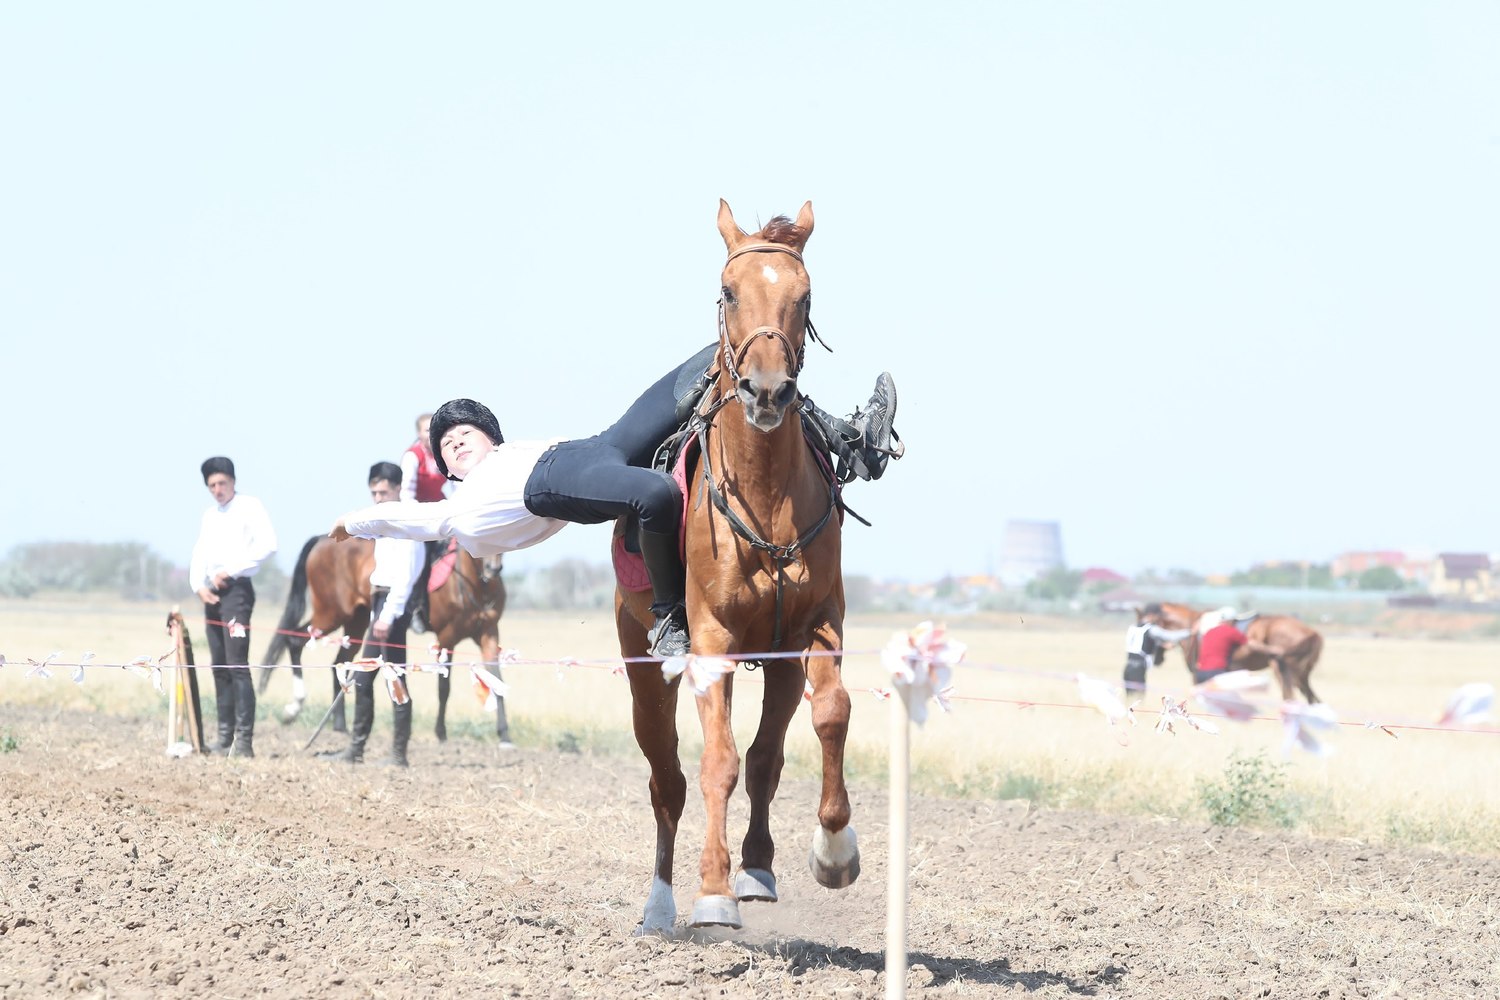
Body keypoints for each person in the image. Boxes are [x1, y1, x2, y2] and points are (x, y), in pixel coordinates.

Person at [330, 346, 902, 658]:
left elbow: (576, 451)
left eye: (466, 435)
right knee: (654, 493)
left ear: (490, 436)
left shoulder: (514, 448)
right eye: (447, 447)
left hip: (594, 447)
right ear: (449, 470)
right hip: (551, 487)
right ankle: (670, 617)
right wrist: (355, 523)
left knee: (721, 355)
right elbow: (413, 519)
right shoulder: (464, 507)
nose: (456, 444)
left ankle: (854, 443)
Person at [328, 462, 425, 767]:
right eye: (374, 493)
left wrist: (387, 616)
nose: (379, 498)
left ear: (398, 489)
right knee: (363, 674)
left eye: (384, 492)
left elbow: (406, 576)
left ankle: (398, 755)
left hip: (395, 607)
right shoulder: (381, 522)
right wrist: (376, 615)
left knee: (394, 676)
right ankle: (356, 749)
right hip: (380, 602)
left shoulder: (408, 521)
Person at [189, 456, 278, 758]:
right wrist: (198, 586)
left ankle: (244, 741)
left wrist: (233, 569)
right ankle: (224, 736)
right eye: (212, 485)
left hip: (237, 591)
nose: (217, 489)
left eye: (222, 483)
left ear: (233, 481)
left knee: (238, 664)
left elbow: (268, 544)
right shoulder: (210, 515)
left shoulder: (249, 506)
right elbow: (200, 551)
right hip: (213, 593)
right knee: (219, 665)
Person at [1194, 614, 1284, 686]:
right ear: (1230, 621)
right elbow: (1251, 644)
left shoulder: (1209, 632)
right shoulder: (1231, 631)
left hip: (1200, 674)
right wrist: (1271, 650)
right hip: (1216, 673)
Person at [1122, 607, 1190, 694]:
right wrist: (1190, 632)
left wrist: (1162, 645)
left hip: (1128, 667)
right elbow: (1170, 636)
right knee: (1138, 699)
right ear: (1152, 615)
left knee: (1130, 699)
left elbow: (1143, 643)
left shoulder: (1133, 627)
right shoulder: (1151, 629)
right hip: (1138, 669)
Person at [400, 413, 448, 503]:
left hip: (439, 504)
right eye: (428, 430)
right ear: (419, 434)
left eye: (435, 429)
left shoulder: (445, 452)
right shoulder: (412, 456)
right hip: (418, 506)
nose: (432, 434)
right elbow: (407, 490)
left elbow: (457, 483)